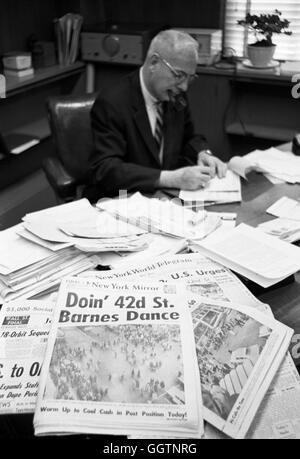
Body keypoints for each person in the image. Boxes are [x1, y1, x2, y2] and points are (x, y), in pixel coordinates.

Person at [84, 29, 227, 201]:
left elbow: (189, 138)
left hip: (162, 201)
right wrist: (171, 178)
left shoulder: (175, 94)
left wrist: (203, 153)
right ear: (153, 63)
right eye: (179, 75)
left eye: (190, 78)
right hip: (120, 201)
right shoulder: (112, 102)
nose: (184, 87)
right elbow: (106, 169)